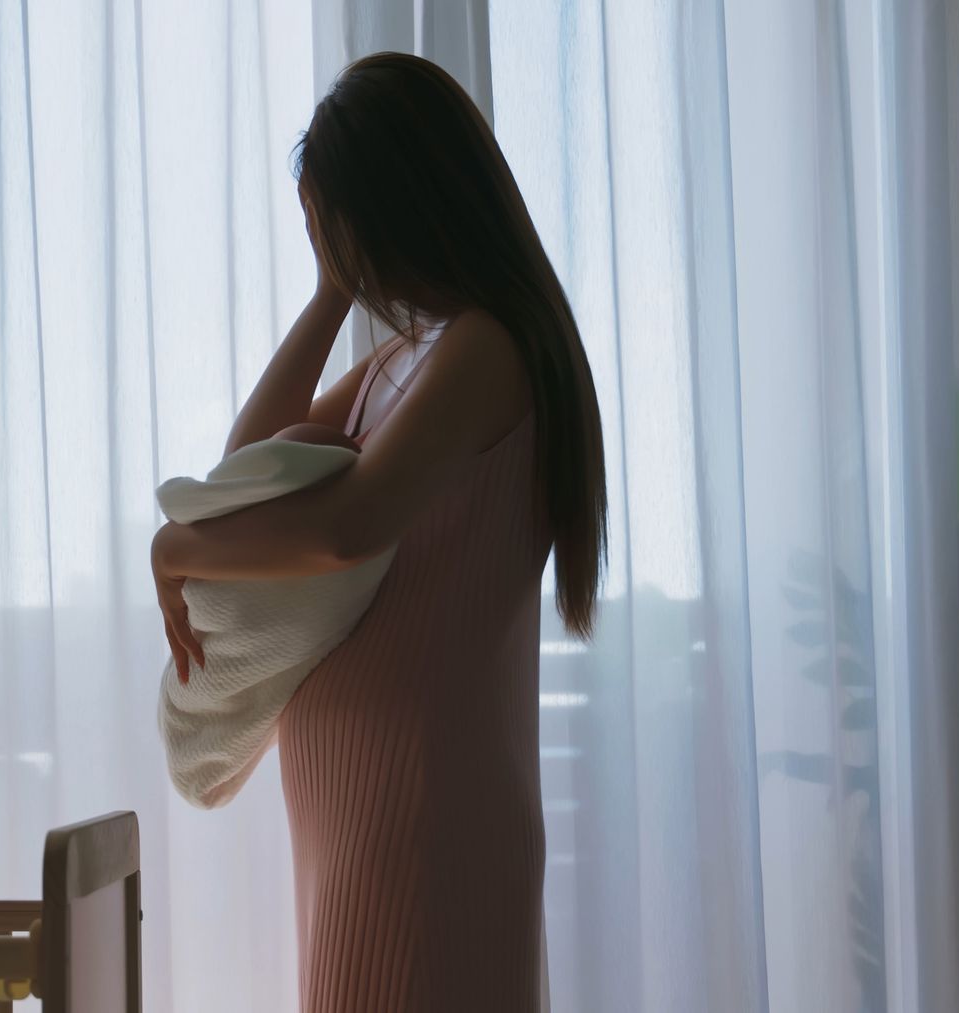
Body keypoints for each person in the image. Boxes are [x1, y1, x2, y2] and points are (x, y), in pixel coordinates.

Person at [150, 52, 606, 1010]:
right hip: (362, 811)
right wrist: (330, 296)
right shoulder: (410, 354)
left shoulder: (487, 348)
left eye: (335, 222)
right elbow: (251, 467)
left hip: (423, 814)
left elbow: (349, 525)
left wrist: (178, 550)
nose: (330, 241)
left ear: (396, 204)